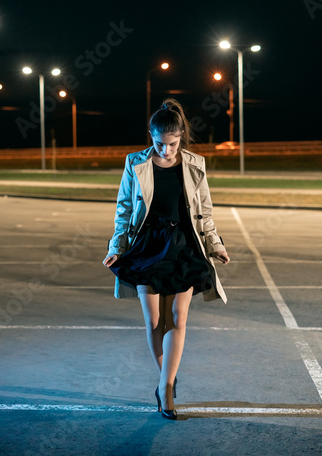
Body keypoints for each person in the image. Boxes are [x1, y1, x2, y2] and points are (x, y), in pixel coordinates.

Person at [102, 98, 230, 420]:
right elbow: (124, 209)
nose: (166, 150)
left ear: (181, 136)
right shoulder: (135, 163)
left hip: (185, 246)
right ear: (151, 135)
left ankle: (167, 388)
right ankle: (165, 380)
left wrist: (215, 245)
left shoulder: (195, 164)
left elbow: (205, 212)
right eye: (159, 143)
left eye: (172, 144)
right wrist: (116, 246)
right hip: (147, 246)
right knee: (154, 322)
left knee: (178, 318)